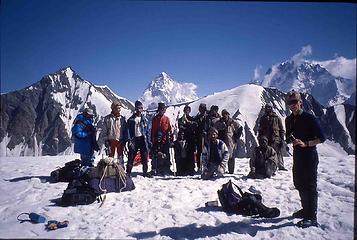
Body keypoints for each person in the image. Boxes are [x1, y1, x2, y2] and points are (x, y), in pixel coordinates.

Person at [285, 90, 325, 228]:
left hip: (309, 156)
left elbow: (322, 138)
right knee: (299, 183)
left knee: (310, 186)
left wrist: (306, 143)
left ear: (300, 102)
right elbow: (288, 135)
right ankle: (305, 210)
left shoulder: (309, 118)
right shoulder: (288, 119)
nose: (292, 105)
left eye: (295, 102)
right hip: (298, 156)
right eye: (290, 102)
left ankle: (312, 217)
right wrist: (290, 139)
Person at [258, 103, 287, 171]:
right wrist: (260, 138)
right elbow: (260, 130)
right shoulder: (262, 119)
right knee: (267, 153)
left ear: (271, 108)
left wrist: (282, 139)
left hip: (276, 139)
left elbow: (281, 129)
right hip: (266, 140)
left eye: (269, 107)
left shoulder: (277, 118)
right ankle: (268, 167)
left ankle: (281, 166)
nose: (268, 109)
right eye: (267, 107)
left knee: (278, 153)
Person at [126, 100, 151, 177]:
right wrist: (129, 140)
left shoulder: (144, 119)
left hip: (143, 139)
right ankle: (128, 173)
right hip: (134, 139)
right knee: (131, 156)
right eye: (139, 108)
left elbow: (147, 131)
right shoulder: (131, 120)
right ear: (136, 108)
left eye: (141, 108)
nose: (140, 109)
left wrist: (148, 141)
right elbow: (128, 131)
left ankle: (145, 172)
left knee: (144, 155)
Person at [214, 109, 243, 174]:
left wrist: (236, 137)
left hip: (230, 141)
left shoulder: (232, 122)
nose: (225, 115)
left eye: (226, 114)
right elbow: (214, 129)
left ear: (228, 114)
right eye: (223, 114)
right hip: (221, 141)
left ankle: (231, 171)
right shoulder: (219, 122)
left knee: (231, 156)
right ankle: (221, 170)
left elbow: (240, 128)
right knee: (221, 156)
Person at [100, 102, 128, 166]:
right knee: (110, 158)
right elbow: (104, 131)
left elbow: (125, 130)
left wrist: (125, 139)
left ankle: (121, 171)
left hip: (120, 140)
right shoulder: (107, 119)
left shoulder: (122, 119)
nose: (119, 110)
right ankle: (110, 172)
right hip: (111, 141)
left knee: (120, 157)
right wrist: (106, 140)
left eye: (119, 108)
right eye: (117, 108)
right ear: (113, 108)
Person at [150, 102, 173, 175]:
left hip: (165, 139)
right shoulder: (155, 119)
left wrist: (171, 137)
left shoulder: (167, 119)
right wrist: (152, 139)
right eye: (161, 109)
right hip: (156, 139)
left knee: (166, 154)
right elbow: (153, 129)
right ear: (159, 110)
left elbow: (169, 129)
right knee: (155, 154)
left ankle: (167, 168)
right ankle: (154, 168)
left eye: (163, 109)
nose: (162, 111)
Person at [177, 105, 196, 175]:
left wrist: (188, 124)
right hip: (184, 139)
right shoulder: (181, 119)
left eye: (188, 110)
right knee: (184, 154)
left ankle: (191, 169)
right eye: (186, 110)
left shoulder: (192, 119)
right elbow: (181, 127)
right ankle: (184, 169)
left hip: (191, 139)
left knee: (191, 155)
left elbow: (194, 127)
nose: (187, 111)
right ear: (184, 111)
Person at [194, 103, 209, 172]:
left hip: (207, 138)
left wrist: (207, 132)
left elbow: (210, 127)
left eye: (203, 108)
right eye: (201, 108)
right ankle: (199, 167)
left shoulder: (208, 117)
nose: (202, 110)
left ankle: (206, 166)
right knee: (199, 152)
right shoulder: (197, 117)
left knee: (207, 152)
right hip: (199, 137)